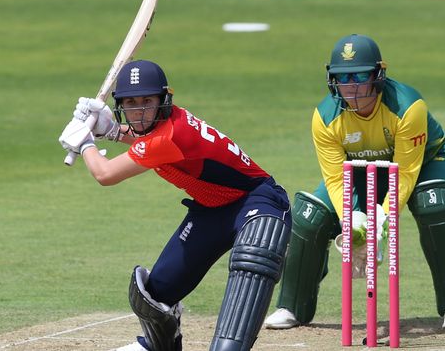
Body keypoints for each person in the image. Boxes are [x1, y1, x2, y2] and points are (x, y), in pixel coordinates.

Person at [58, 60, 292, 351]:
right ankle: (158, 346)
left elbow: (105, 174)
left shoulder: (168, 135)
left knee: (251, 262)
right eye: (131, 102)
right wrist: (112, 131)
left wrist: (85, 144)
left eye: (147, 101)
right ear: (121, 105)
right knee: (155, 295)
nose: (140, 109)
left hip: (258, 202)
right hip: (213, 208)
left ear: (163, 101)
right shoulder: (166, 128)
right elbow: (149, 142)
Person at [263, 34, 445, 333]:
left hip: (427, 162)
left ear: (377, 76)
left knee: (435, 203)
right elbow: (337, 178)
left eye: (360, 75)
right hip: (362, 172)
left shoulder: (407, 106)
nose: (351, 86)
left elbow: (405, 171)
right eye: (342, 77)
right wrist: (355, 224)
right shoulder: (324, 118)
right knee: (310, 216)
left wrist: (379, 223)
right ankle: (292, 307)